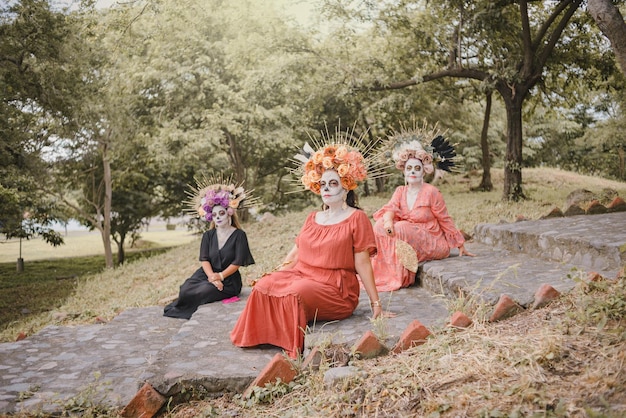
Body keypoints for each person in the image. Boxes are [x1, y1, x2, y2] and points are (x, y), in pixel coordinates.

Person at [230, 136, 386, 359]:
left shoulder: (356, 218)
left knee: (295, 293)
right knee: (263, 285)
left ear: (346, 187)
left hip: (336, 290)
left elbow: (362, 262)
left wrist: (376, 304)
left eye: (333, 183)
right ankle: (262, 336)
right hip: (302, 273)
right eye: (323, 184)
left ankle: (285, 342)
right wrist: (279, 271)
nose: (327, 189)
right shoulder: (313, 217)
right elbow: (297, 251)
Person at [370, 126, 475, 292]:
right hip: (409, 236)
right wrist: (388, 222)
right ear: (403, 171)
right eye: (409, 169)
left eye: (417, 168)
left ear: (423, 172)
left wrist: (459, 243)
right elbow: (390, 208)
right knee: (379, 226)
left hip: (432, 240)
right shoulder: (400, 191)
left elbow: (444, 219)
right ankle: (387, 271)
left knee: (402, 227)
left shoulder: (431, 192)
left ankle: (401, 276)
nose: (413, 172)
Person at [164, 180, 255, 319]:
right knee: (185, 289)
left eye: (221, 213)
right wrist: (212, 277)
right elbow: (204, 259)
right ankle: (182, 306)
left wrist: (220, 276)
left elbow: (237, 262)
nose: (218, 217)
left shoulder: (239, 235)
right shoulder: (208, 235)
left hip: (229, 279)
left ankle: (192, 311)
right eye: (214, 215)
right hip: (206, 274)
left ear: (229, 213)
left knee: (203, 291)